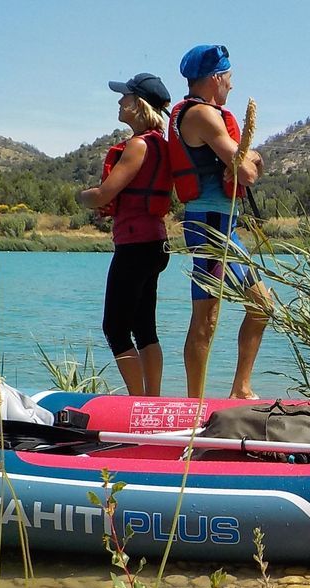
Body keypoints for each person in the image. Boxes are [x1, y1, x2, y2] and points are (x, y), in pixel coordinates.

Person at [168, 44, 270, 399]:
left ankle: (239, 389)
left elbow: (241, 169)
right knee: (206, 318)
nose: (231, 85)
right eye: (228, 78)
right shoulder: (202, 115)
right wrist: (252, 158)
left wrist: (247, 162)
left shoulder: (209, 114)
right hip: (209, 225)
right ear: (215, 78)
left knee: (261, 305)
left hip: (222, 224)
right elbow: (246, 171)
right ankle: (193, 402)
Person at [78, 73, 173, 397]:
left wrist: (81, 196)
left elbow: (104, 195)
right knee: (144, 327)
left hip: (134, 246)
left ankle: (135, 402)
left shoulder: (138, 145)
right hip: (156, 244)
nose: (119, 102)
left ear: (138, 104)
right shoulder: (163, 145)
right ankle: (152, 400)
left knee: (115, 328)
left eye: (125, 97)